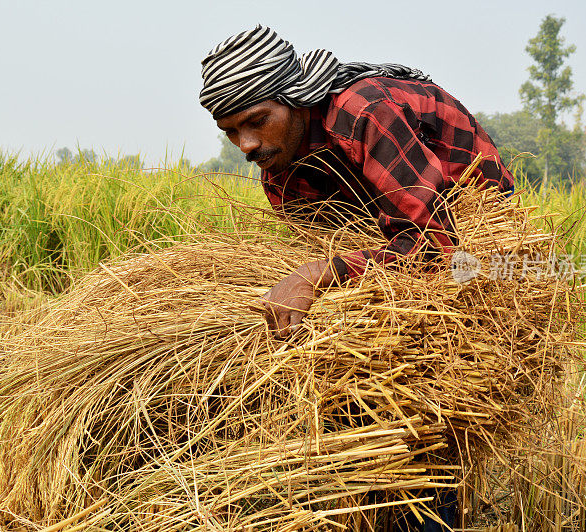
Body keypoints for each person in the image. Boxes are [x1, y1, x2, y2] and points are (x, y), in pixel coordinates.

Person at [199, 28, 514, 528]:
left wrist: (317, 274)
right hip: (394, 245)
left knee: (424, 402)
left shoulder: (365, 109)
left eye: (256, 122)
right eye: (231, 132)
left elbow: (434, 246)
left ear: (295, 101)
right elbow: (334, 245)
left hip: (471, 250)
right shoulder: (281, 170)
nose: (247, 144)